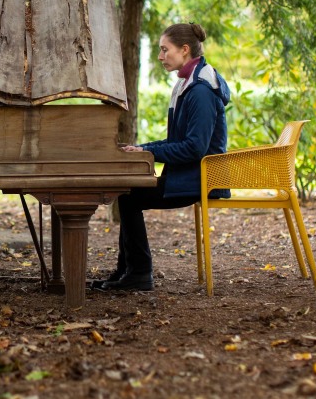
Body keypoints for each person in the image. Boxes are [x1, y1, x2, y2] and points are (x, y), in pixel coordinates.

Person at [96, 22, 231, 291]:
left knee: (130, 198)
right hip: (189, 175)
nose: (160, 56)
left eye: (164, 49)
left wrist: (149, 152)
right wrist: (141, 148)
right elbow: (175, 142)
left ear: (184, 50)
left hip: (202, 178)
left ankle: (138, 274)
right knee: (128, 195)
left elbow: (194, 147)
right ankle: (129, 272)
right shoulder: (187, 84)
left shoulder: (201, 91)